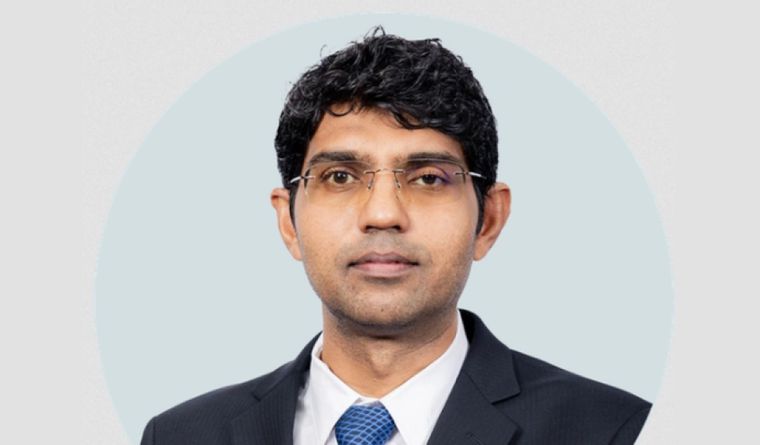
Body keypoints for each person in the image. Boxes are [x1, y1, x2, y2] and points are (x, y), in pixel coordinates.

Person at [140, 28, 651, 445]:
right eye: (340, 176)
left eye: (428, 178)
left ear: (488, 220)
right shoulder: (181, 437)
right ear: (288, 221)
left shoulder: (617, 431)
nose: (383, 214)